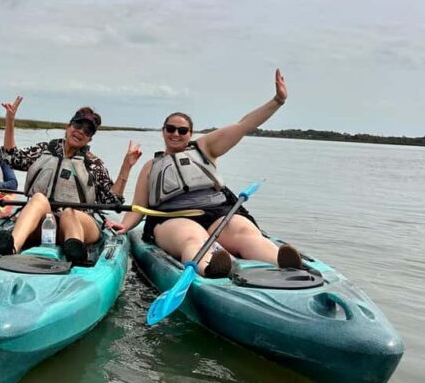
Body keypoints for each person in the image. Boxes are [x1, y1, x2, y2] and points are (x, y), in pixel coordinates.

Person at [106, 69, 303, 277]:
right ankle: (209, 268)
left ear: (190, 134)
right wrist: (124, 225)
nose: (176, 134)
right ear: (163, 130)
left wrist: (277, 101)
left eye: (182, 131)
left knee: (246, 234)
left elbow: (244, 125)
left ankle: (283, 265)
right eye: (171, 129)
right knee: (192, 239)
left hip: (217, 212)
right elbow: (139, 207)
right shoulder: (151, 166)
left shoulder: (205, 148)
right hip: (172, 217)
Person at [0, 97, 142, 264]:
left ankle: (76, 254)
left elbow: (111, 199)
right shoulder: (43, 151)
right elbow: (11, 158)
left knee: (69, 212)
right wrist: (10, 121)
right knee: (38, 198)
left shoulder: (93, 163)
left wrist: (127, 166)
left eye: (88, 131)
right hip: (43, 223)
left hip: (80, 224)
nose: (81, 131)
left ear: (90, 139)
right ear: (68, 126)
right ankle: (11, 248)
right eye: (78, 125)